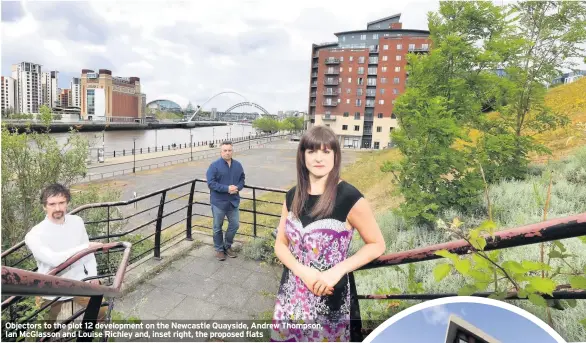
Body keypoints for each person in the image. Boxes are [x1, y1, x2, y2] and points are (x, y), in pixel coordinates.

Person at [271, 126, 386, 342]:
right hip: (292, 292)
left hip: (328, 297)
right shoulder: (292, 196)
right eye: (312, 151)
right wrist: (301, 271)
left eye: (326, 151)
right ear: (302, 155)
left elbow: (377, 244)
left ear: (335, 156)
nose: (318, 158)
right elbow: (280, 244)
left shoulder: (349, 197)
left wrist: (338, 270)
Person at [25, 183, 107, 322]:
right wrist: (86, 246)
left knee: (102, 311)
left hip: (79, 281)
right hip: (49, 288)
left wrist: (94, 276)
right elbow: (54, 260)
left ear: (67, 203)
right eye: (52, 204)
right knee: (44, 328)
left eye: (61, 202)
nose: (57, 208)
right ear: (44, 206)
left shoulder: (77, 222)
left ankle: (88, 336)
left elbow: (88, 253)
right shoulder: (34, 235)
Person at [206, 141, 246, 261]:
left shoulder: (238, 165)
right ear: (221, 151)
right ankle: (219, 249)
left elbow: (242, 179)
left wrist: (238, 188)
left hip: (233, 201)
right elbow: (211, 183)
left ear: (232, 151)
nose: (227, 152)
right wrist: (227, 189)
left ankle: (227, 246)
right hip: (218, 202)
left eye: (229, 150)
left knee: (234, 225)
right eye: (225, 150)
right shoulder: (214, 166)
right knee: (217, 227)